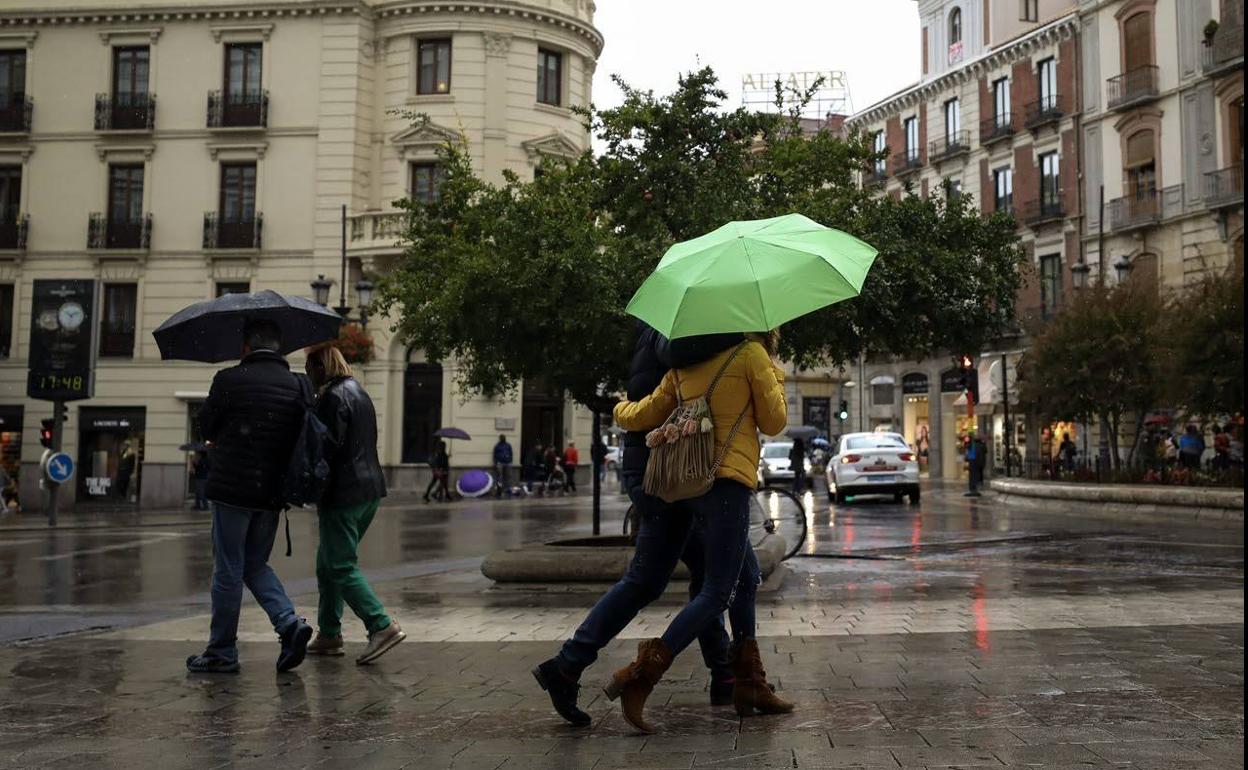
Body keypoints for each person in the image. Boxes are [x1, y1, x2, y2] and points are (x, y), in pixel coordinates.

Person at [533, 323, 768, 729]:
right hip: (670, 471)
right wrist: (748, 348)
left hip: (671, 466)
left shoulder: (664, 331)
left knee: (727, 577)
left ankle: (729, 674)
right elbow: (672, 390)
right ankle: (577, 666)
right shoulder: (683, 337)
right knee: (668, 581)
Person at [605, 328, 792, 733]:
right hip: (728, 483)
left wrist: (618, 410)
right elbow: (775, 421)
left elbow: (646, 413)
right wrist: (776, 376)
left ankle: (750, 683)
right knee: (718, 591)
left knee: (747, 579)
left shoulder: (683, 363)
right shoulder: (751, 356)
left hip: (693, 484)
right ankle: (641, 675)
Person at [186, 319, 312, 675]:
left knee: (228, 568)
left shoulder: (228, 380)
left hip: (232, 489)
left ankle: (222, 651)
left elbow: (206, 428)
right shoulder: (297, 385)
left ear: (245, 347)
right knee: (255, 564)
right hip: (272, 492)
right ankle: (288, 622)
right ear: (279, 347)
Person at [303, 345, 405, 665]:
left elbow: (327, 448)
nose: (307, 375)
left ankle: (380, 625)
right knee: (328, 562)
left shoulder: (332, 398)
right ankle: (330, 633)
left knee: (340, 565)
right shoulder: (359, 392)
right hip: (368, 490)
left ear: (320, 367)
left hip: (343, 493)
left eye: (309, 368)